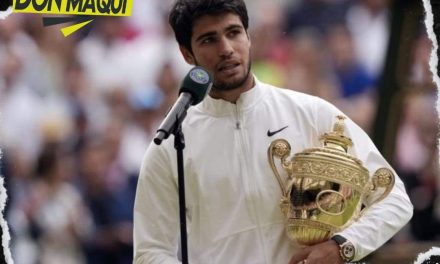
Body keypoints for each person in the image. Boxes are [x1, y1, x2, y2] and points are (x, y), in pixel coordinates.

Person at [133, 0, 413, 263]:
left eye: (234, 33)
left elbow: (394, 199)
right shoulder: (170, 144)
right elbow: (150, 251)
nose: (226, 48)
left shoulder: (312, 114)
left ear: (249, 36)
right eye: (209, 39)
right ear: (187, 54)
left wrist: (342, 246)